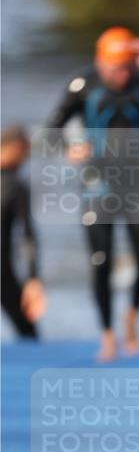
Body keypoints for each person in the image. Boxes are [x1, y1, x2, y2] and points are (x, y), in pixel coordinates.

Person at [47, 27, 139, 361]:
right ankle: (107, 334)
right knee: (100, 262)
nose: (119, 75)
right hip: (96, 185)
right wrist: (70, 148)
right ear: (99, 62)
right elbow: (52, 131)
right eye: (111, 67)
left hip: (136, 186)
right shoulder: (83, 84)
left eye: (124, 67)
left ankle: (132, 311)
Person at [1, 126, 46, 338]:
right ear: (14, 148)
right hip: (3, 274)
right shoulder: (15, 187)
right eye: (24, 152)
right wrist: (33, 278)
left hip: (4, 274)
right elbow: (28, 236)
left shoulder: (15, 186)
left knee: (28, 330)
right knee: (28, 333)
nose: (25, 159)